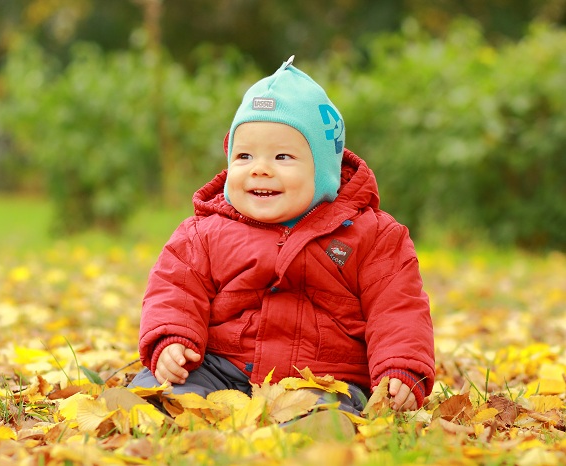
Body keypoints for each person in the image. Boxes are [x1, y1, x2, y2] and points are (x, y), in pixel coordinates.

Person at [130, 56, 435, 414]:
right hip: (222, 368)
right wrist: (171, 339)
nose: (260, 169)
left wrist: (399, 366)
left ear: (324, 171)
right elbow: (175, 289)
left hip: (322, 378)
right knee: (161, 388)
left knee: (328, 411)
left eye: (282, 157)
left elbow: (397, 307)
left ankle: (313, 429)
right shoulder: (205, 232)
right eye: (244, 156)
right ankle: (168, 413)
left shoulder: (373, 237)